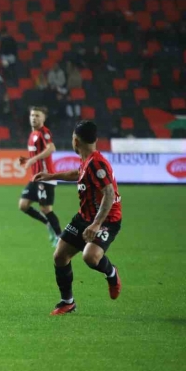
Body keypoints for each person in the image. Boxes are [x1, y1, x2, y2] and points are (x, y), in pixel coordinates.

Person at [34, 120, 122, 315]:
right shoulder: (87, 160)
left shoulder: (97, 163)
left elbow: (109, 193)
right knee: (60, 256)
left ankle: (111, 273)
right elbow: (78, 173)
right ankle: (68, 302)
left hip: (106, 219)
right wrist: (50, 176)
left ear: (75, 140)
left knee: (90, 257)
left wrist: (97, 224)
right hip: (84, 216)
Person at [17, 106, 62, 246]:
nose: (34, 118)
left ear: (43, 118)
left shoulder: (44, 132)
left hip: (45, 177)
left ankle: (60, 237)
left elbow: (51, 148)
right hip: (35, 177)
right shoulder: (32, 134)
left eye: (37, 115)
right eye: (32, 115)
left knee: (46, 209)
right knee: (23, 205)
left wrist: (33, 159)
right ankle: (47, 223)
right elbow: (37, 155)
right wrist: (27, 160)